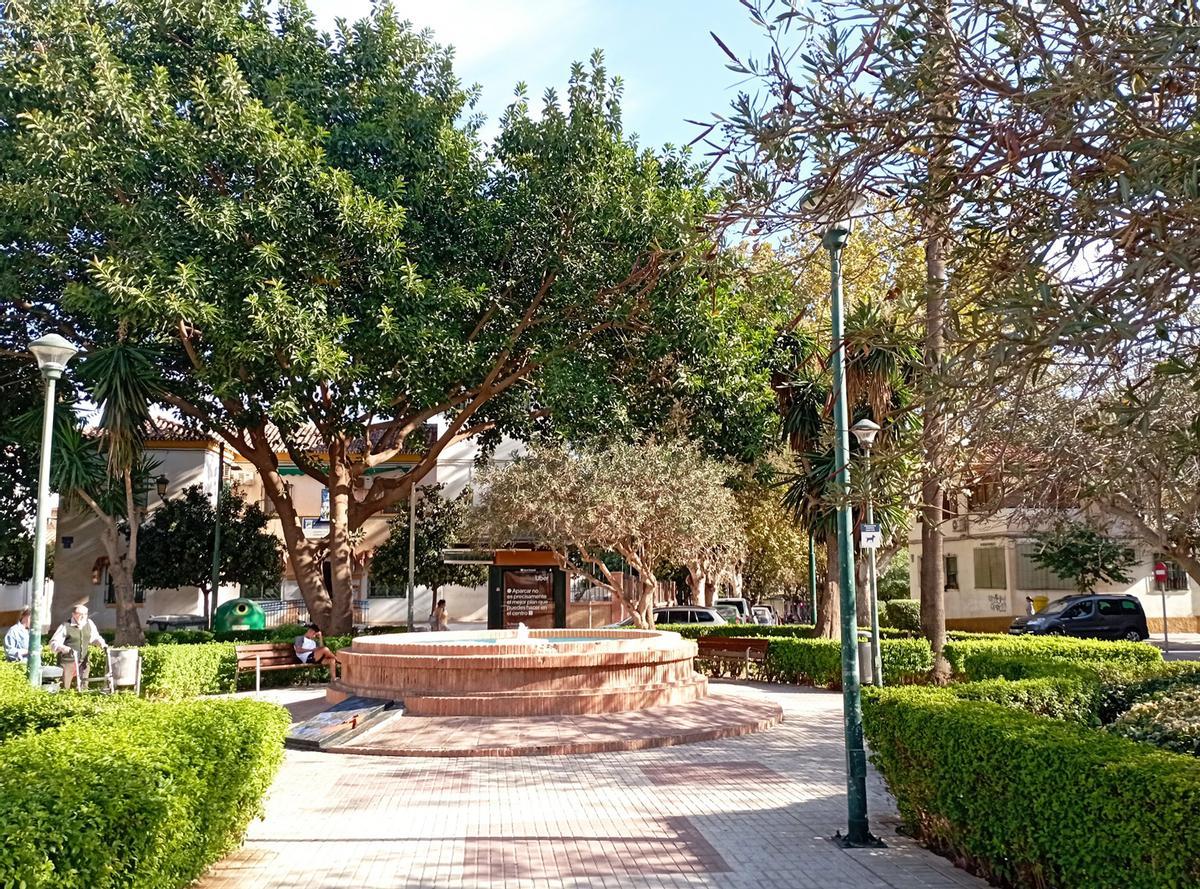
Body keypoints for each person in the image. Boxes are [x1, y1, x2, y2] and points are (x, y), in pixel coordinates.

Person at [50, 604, 107, 691]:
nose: (83, 616)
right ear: (73, 614)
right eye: (80, 614)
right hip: (68, 662)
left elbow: (95, 638)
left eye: (85, 614)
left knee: (84, 686)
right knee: (65, 687)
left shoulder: (89, 623)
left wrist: (101, 643)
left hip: (83, 661)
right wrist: (64, 648)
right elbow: (54, 642)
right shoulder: (65, 625)